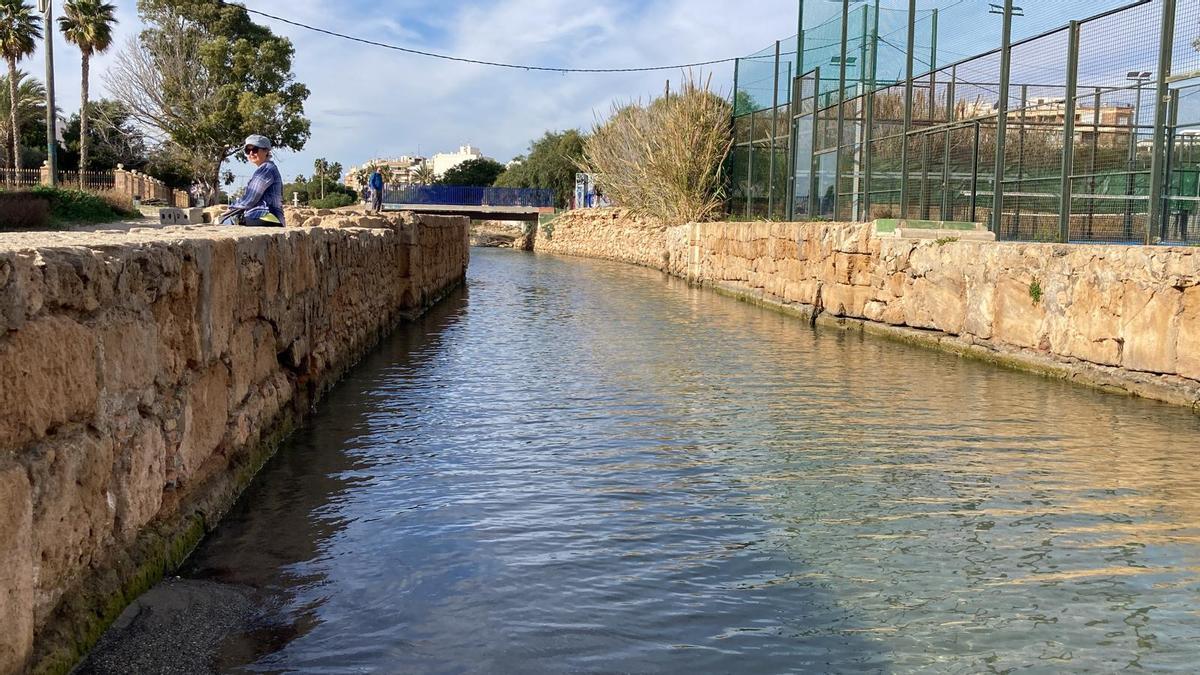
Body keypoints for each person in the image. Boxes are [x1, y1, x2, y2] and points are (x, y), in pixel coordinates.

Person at [223, 134, 285, 227]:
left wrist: (231, 208)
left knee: (224, 222)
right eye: (247, 151)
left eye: (255, 149)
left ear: (266, 151)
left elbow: (250, 198)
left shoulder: (266, 169)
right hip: (272, 217)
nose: (251, 153)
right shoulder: (269, 168)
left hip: (264, 215)